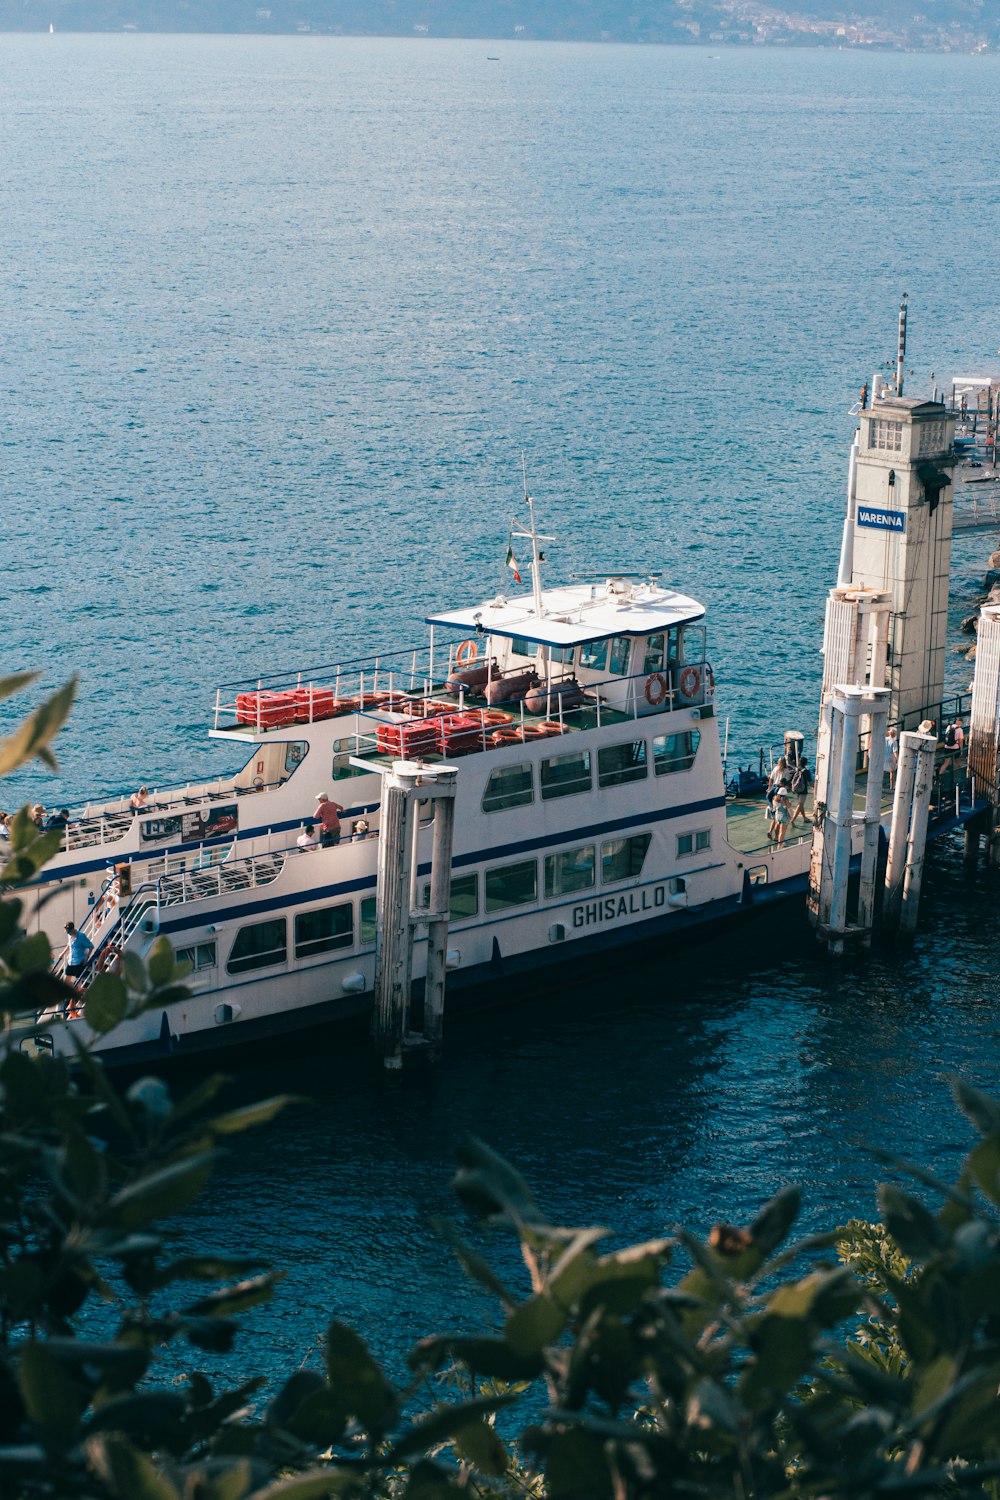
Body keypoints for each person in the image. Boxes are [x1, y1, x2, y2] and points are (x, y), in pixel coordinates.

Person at [788, 756, 812, 827]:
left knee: (800, 804)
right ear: (806, 763)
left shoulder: (796, 769)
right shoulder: (806, 771)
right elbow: (811, 783)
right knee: (800, 805)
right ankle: (792, 820)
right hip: (803, 790)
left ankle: (804, 818)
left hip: (796, 789)